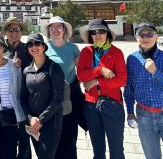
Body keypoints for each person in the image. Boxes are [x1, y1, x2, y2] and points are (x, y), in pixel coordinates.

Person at [77, 19, 127, 159]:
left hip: (112, 104)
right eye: (94, 32)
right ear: (90, 35)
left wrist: (97, 81)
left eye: (101, 31)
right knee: (98, 149)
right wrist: (100, 69)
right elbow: (81, 75)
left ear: (108, 34)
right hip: (91, 105)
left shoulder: (116, 52)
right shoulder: (86, 52)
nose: (98, 35)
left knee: (116, 149)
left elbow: (121, 80)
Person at [41, 16, 85, 159]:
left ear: (64, 30)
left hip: (69, 97)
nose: (55, 30)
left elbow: (82, 71)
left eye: (59, 27)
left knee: (70, 136)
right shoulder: (44, 48)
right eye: (52, 27)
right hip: (50, 97)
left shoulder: (73, 48)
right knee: (53, 137)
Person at [20, 33, 64, 159]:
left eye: (37, 43)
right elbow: (22, 97)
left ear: (44, 47)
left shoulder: (53, 67)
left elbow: (58, 98)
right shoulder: (26, 70)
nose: (34, 47)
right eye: (30, 44)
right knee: (40, 155)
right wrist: (31, 118)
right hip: (33, 123)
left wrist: (41, 119)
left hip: (51, 121)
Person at [124, 23, 163, 159]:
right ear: (136, 37)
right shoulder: (132, 59)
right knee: (152, 155)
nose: (146, 37)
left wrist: (155, 72)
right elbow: (129, 88)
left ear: (156, 36)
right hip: (144, 114)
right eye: (142, 34)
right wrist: (129, 112)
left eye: (149, 34)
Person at [1, 17, 33, 159]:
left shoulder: (28, 49)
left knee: (25, 140)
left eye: (16, 30)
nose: (13, 33)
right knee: (8, 140)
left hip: (25, 100)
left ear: (21, 32)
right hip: (6, 101)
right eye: (10, 30)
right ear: (5, 32)